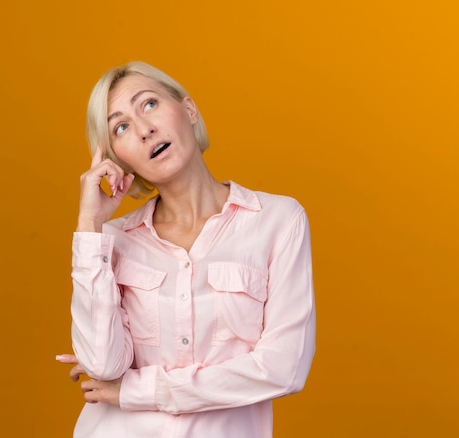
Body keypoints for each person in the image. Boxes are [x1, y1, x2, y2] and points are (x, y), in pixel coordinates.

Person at [56, 61, 316, 438]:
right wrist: (90, 226)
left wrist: (136, 390)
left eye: (148, 104)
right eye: (121, 127)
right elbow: (101, 364)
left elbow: (284, 367)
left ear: (189, 110)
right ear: (118, 157)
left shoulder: (278, 220)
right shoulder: (110, 240)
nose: (145, 130)